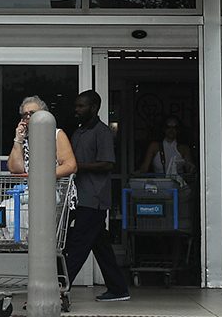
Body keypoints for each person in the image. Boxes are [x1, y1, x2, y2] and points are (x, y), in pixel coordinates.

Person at [64, 90, 131, 303]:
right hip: (77, 197)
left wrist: (77, 166)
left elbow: (108, 164)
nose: (77, 110)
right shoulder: (79, 132)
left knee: (78, 245)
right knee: (100, 246)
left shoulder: (102, 132)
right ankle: (118, 288)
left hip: (94, 198)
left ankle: (59, 288)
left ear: (94, 108)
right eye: (76, 106)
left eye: (81, 106)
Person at [6, 94, 77, 178]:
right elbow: (15, 169)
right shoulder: (23, 137)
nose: (28, 117)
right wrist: (18, 139)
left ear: (44, 114)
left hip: (52, 185)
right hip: (29, 186)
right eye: (25, 114)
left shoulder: (56, 134)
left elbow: (70, 166)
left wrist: (41, 177)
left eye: (32, 113)